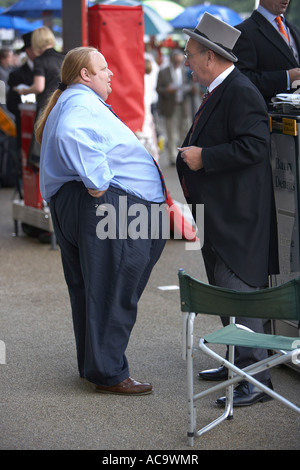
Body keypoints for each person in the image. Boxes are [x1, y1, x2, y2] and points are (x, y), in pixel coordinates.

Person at [35, 47, 166, 396]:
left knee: (95, 289)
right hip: (108, 205)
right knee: (113, 288)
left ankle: (97, 366)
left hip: (88, 205)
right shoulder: (79, 103)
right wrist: (97, 181)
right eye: (103, 68)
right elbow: (70, 136)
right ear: (85, 75)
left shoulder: (73, 100)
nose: (111, 74)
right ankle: (108, 373)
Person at [176, 13, 279, 407]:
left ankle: (256, 376)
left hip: (238, 217)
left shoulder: (240, 90)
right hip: (220, 215)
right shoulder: (224, 88)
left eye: (189, 55)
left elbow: (256, 147)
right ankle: (238, 362)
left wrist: (205, 157)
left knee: (239, 294)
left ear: (210, 57)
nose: (186, 61)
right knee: (224, 291)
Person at [233, 0, 300, 107]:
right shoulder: (244, 32)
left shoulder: (294, 29)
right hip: (267, 117)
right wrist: (286, 78)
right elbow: (241, 80)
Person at [156, 49, 192, 165]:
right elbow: (158, 89)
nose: (178, 63)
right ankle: (172, 158)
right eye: (176, 61)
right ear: (171, 60)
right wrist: (167, 90)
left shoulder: (185, 71)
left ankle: (183, 156)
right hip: (170, 106)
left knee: (185, 131)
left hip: (183, 105)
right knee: (171, 133)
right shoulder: (163, 72)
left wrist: (189, 89)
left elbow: (191, 85)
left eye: (179, 61)